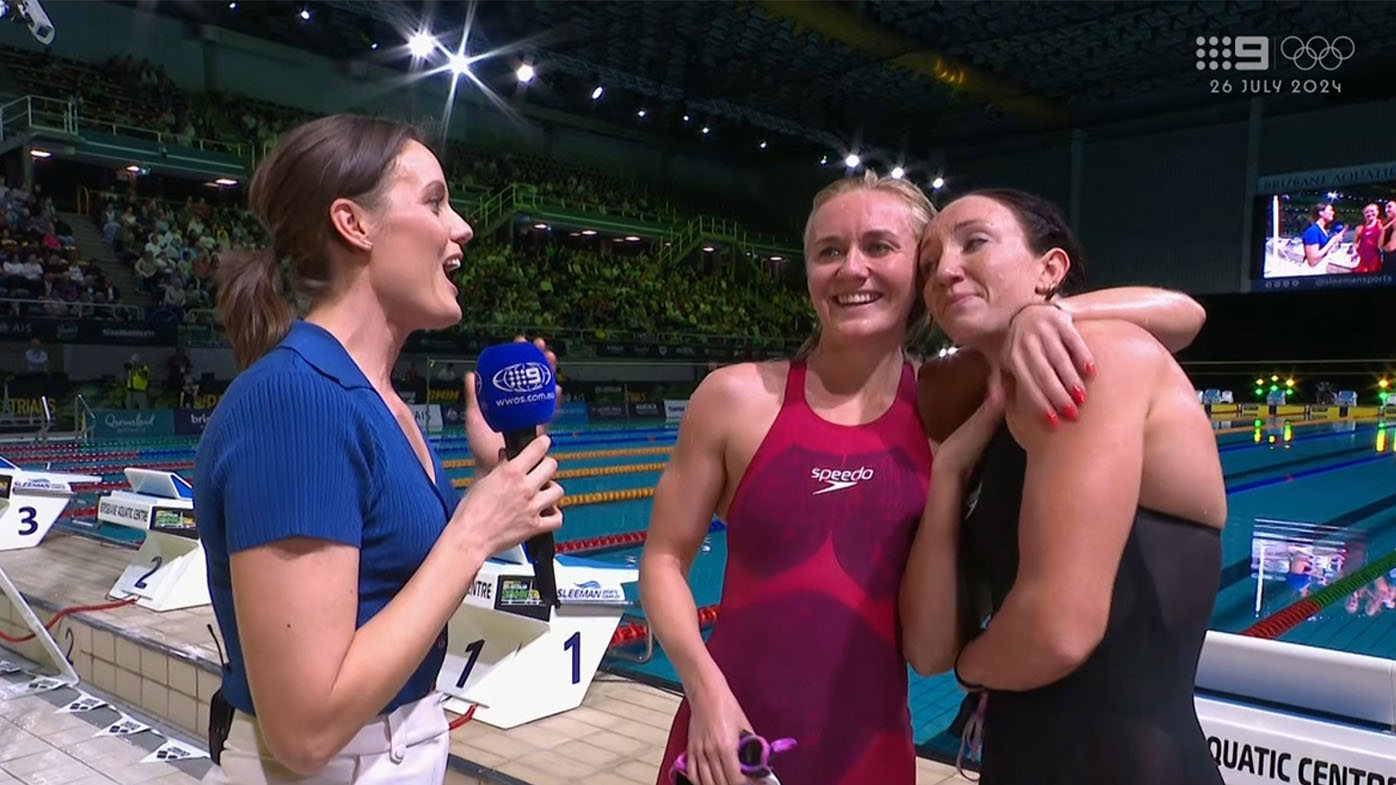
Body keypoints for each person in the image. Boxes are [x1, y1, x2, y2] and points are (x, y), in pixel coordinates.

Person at [639, 171, 1208, 785]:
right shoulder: (735, 397)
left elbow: (1180, 315)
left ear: (920, 277)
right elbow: (664, 560)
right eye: (828, 251)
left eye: (879, 247)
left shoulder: (947, 397)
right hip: (725, 742)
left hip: (872, 756)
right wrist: (706, 697)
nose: (851, 268)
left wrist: (1044, 316)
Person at [194, 113, 564, 785]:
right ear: (353, 224)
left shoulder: (378, 403)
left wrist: (500, 473)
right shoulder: (296, 402)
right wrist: (473, 532)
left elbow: (388, 593)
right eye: (434, 200)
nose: (463, 228)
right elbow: (304, 731)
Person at [903, 188, 1226, 784]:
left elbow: (1055, 632)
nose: (944, 271)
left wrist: (971, 669)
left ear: (1050, 269)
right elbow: (925, 648)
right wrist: (948, 473)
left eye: (974, 241)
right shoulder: (975, 407)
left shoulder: (1101, 356)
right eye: (928, 266)